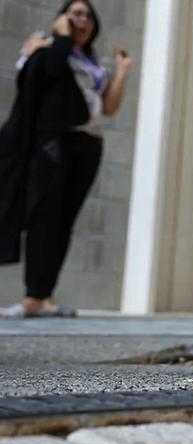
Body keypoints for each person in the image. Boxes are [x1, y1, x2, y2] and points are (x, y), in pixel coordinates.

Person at [0, 0, 132, 317]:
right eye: (74, 14)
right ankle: (33, 295)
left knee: (64, 221)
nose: (81, 20)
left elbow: (108, 107)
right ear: (61, 19)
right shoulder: (44, 47)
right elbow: (52, 71)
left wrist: (122, 71)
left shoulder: (91, 63)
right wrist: (59, 35)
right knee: (43, 216)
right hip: (53, 142)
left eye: (87, 15)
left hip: (87, 144)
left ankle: (44, 296)